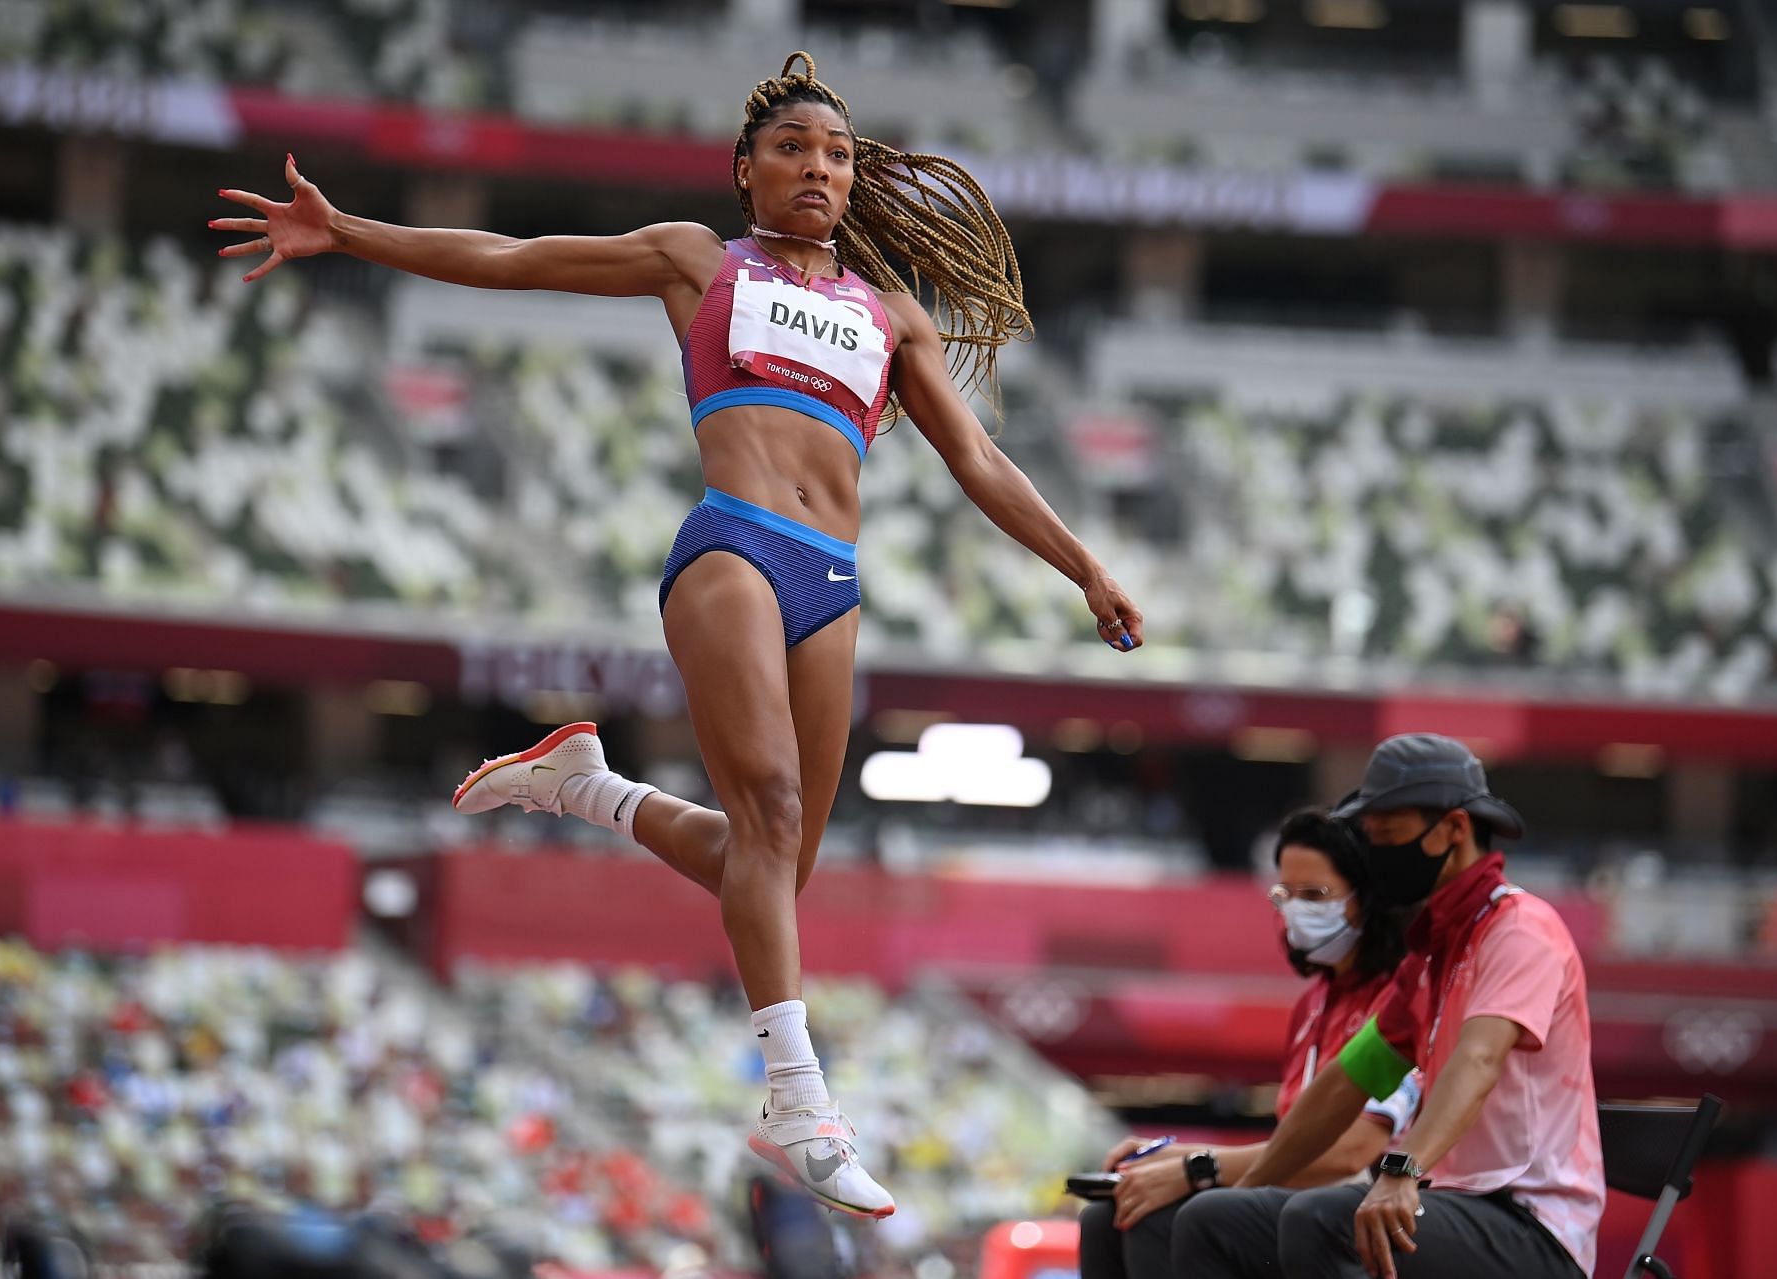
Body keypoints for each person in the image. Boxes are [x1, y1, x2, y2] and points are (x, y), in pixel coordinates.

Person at [210, 52, 1144, 1219]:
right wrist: (347, 231)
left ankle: (588, 788)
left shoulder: (888, 313)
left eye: (839, 154)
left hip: (833, 581)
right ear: (746, 169)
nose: (818, 167)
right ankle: (800, 1102)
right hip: (734, 546)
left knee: (773, 870)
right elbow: (511, 261)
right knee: (773, 814)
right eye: (794, 149)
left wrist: (1086, 568)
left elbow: (979, 459)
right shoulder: (698, 260)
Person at [1179, 734, 1602, 1279]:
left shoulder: (1521, 930)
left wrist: (1403, 1169)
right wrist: (1254, 1184)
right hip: (1449, 1205)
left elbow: (1477, 1062)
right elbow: (1344, 1084)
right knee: (1211, 1220)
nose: (1376, 855)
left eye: (1390, 836)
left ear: (1454, 829)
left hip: (1532, 1226)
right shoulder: (1429, 957)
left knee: (1319, 1219)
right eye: (1371, 837)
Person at [1078, 810, 1418, 1279]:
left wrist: (1198, 1168)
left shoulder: (1399, 999)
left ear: (1369, 899)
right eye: (1286, 895)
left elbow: (1348, 1154)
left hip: (1364, 1201)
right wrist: (1168, 1157)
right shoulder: (1313, 1006)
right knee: (1108, 1216)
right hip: (1299, 1196)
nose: (1296, 910)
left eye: (1315, 895)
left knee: (1162, 1220)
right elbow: (1292, 1148)